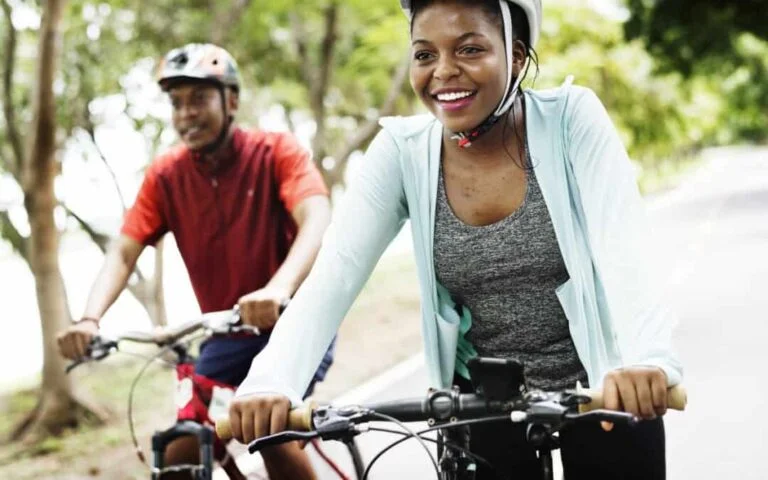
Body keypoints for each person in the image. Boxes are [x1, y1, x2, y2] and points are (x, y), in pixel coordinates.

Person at [229, 1, 683, 478]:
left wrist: (646, 360)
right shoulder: (402, 153)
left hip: (605, 387)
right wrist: (270, 381)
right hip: (482, 401)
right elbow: (335, 272)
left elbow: (624, 248)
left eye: (469, 49)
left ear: (517, 57)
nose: (443, 72)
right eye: (425, 55)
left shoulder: (572, 119)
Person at [57, 43, 332, 480]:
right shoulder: (166, 177)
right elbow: (124, 251)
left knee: (266, 426)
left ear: (232, 101)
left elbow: (316, 217)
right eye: (176, 103)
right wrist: (90, 319)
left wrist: (278, 289)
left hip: (296, 321)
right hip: (227, 334)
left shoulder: (276, 151)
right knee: (182, 451)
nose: (186, 113)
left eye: (199, 99)